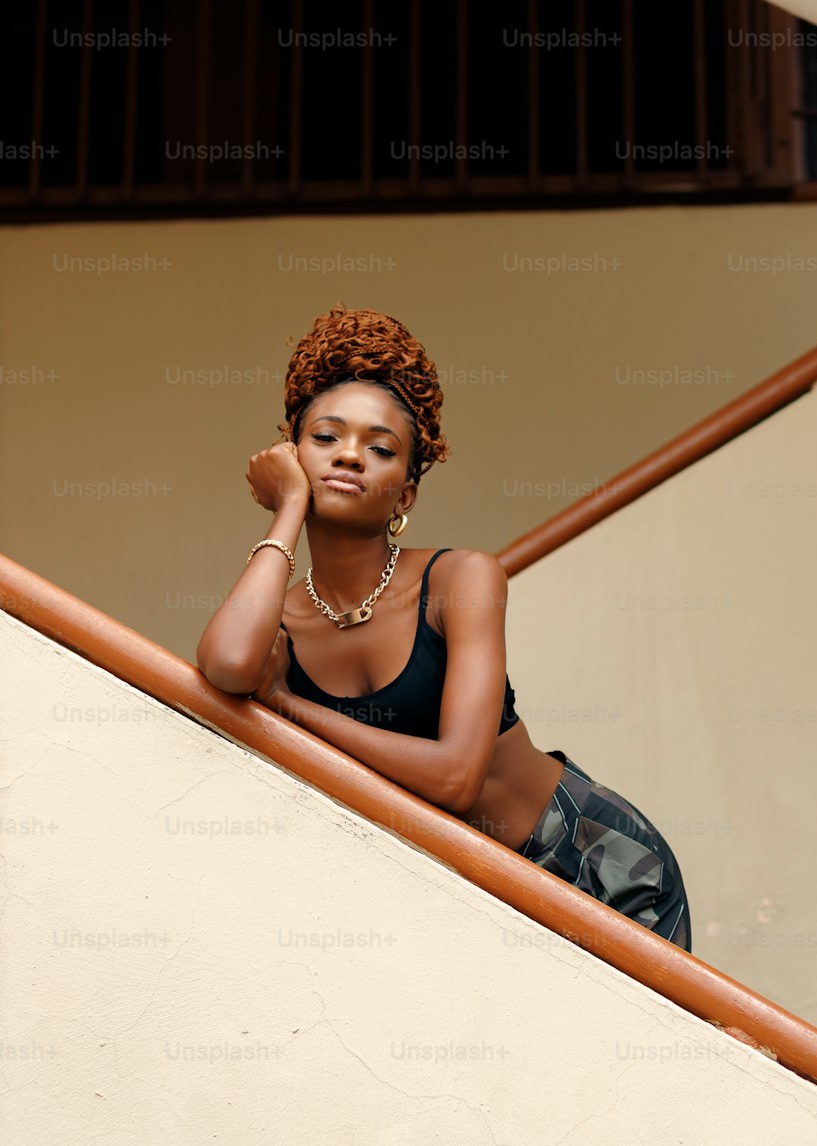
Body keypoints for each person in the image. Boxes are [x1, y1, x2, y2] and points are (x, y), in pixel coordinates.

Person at [197, 304, 691, 953]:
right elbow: (229, 665)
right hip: (467, 901)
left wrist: (287, 706)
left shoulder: (461, 581)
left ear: (404, 495)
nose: (350, 455)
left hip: (592, 862)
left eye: (380, 448)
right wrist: (287, 510)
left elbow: (457, 779)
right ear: (291, 458)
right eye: (324, 438)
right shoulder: (281, 616)